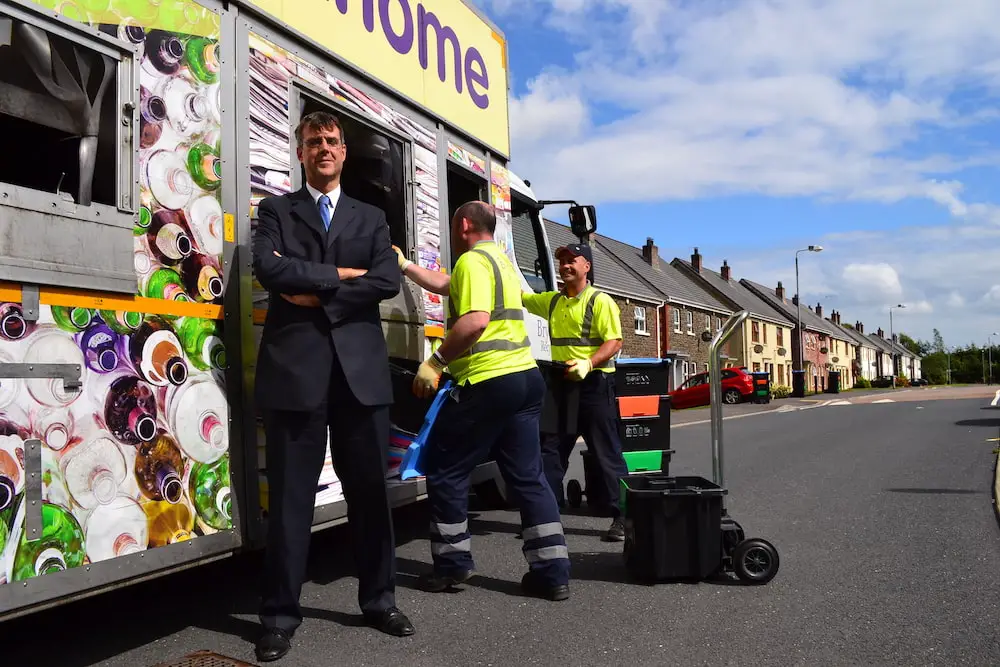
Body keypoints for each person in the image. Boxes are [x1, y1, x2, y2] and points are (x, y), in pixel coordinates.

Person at [252, 111, 413, 663]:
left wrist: (315, 288)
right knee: (292, 502)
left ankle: (379, 599)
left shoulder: (371, 218)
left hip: (360, 378)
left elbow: (387, 280)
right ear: (299, 153)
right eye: (313, 141)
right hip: (295, 376)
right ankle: (277, 617)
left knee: (370, 496)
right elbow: (269, 272)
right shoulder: (275, 210)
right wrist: (342, 277)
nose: (323, 148)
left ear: (344, 153)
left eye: (332, 141)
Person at [403, 201, 572, 601]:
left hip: (488, 381)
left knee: (447, 468)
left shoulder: (472, 261)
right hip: (526, 380)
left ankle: (451, 566)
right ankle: (553, 574)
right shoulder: (500, 262)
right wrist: (406, 266)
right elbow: (447, 285)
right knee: (528, 477)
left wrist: (436, 361)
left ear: (462, 224)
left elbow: (475, 320)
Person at [521, 243, 629, 542]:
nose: (566, 265)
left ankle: (625, 518)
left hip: (594, 384)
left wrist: (589, 362)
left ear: (587, 266)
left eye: (572, 261)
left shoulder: (600, 301)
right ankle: (548, 515)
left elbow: (614, 342)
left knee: (606, 452)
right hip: (560, 383)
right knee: (550, 450)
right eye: (563, 261)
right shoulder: (552, 301)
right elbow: (520, 298)